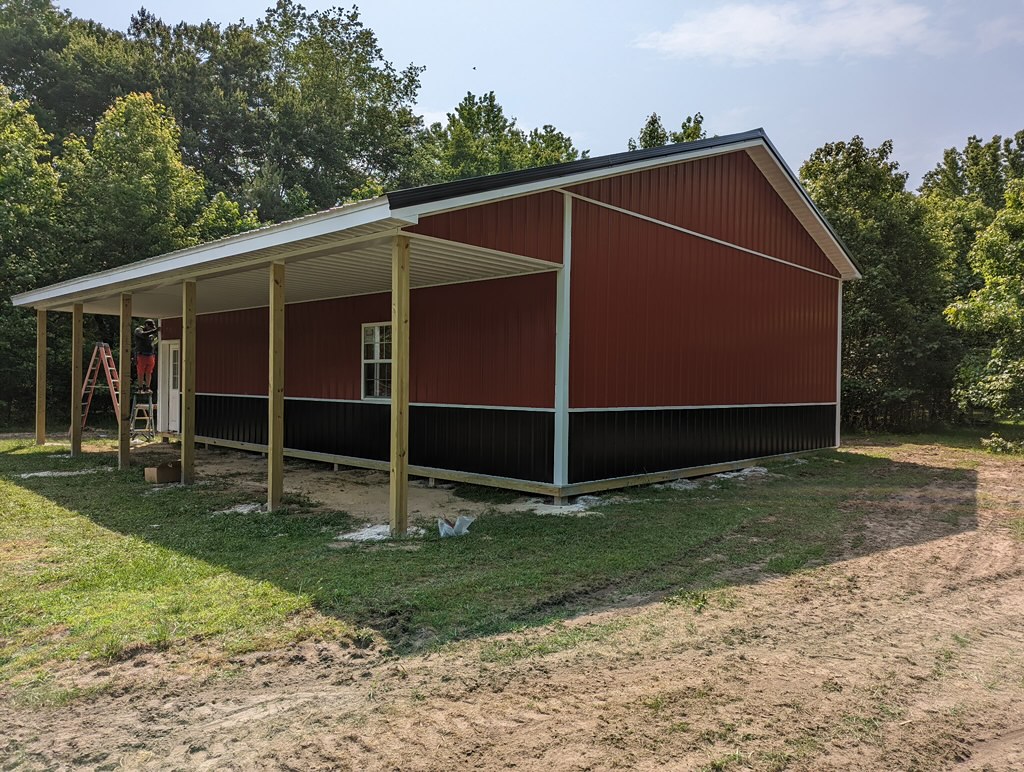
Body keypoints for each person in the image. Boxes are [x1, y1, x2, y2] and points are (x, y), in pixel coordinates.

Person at [134, 319, 159, 394]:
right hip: (141, 355)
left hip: (150, 355)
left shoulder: (151, 334)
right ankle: (140, 388)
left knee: (149, 372)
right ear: (146, 325)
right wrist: (154, 331)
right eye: (150, 327)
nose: (151, 329)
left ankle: (148, 388)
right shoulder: (138, 330)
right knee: (140, 372)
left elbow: (154, 340)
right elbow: (143, 335)